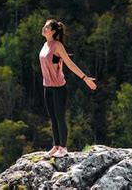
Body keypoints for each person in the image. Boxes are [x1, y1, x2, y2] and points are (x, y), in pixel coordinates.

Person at [39, 19, 97, 158]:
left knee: (59, 117)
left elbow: (69, 64)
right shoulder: (45, 45)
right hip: (47, 87)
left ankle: (63, 148)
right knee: (52, 118)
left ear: (53, 31)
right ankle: (56, 146)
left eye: (47, 27)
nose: (44, 28)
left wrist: (85, 78)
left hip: (59, 87)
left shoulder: (57, 46)